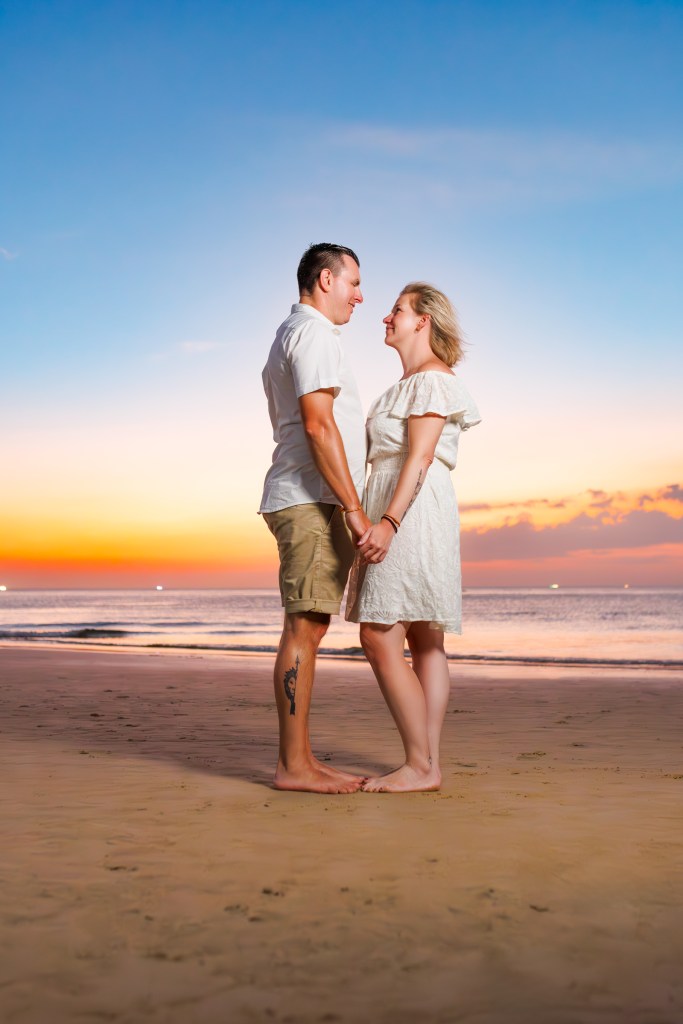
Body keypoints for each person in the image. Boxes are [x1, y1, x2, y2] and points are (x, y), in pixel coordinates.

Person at [345, 282, 481, 793]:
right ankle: (427, 763)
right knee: (426, 640)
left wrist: (389, 522)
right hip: (412, 506)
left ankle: (421, 765)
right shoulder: (402, 387)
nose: (386, 317)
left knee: (380, 634)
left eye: (397, 310)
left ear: (423, 321)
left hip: (412, 511)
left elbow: (421, 458)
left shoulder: (430, 381)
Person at [259, 243, 374, 793]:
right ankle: (293, 766)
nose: (360, 294)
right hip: (309, 500)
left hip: (310, 497)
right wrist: (354, 510)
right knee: (304, 628)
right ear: (326, 280)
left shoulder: (300, 334)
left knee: (311, 626)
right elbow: (319, 425)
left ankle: (300, 758)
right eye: (354, 282)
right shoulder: (312, 335)